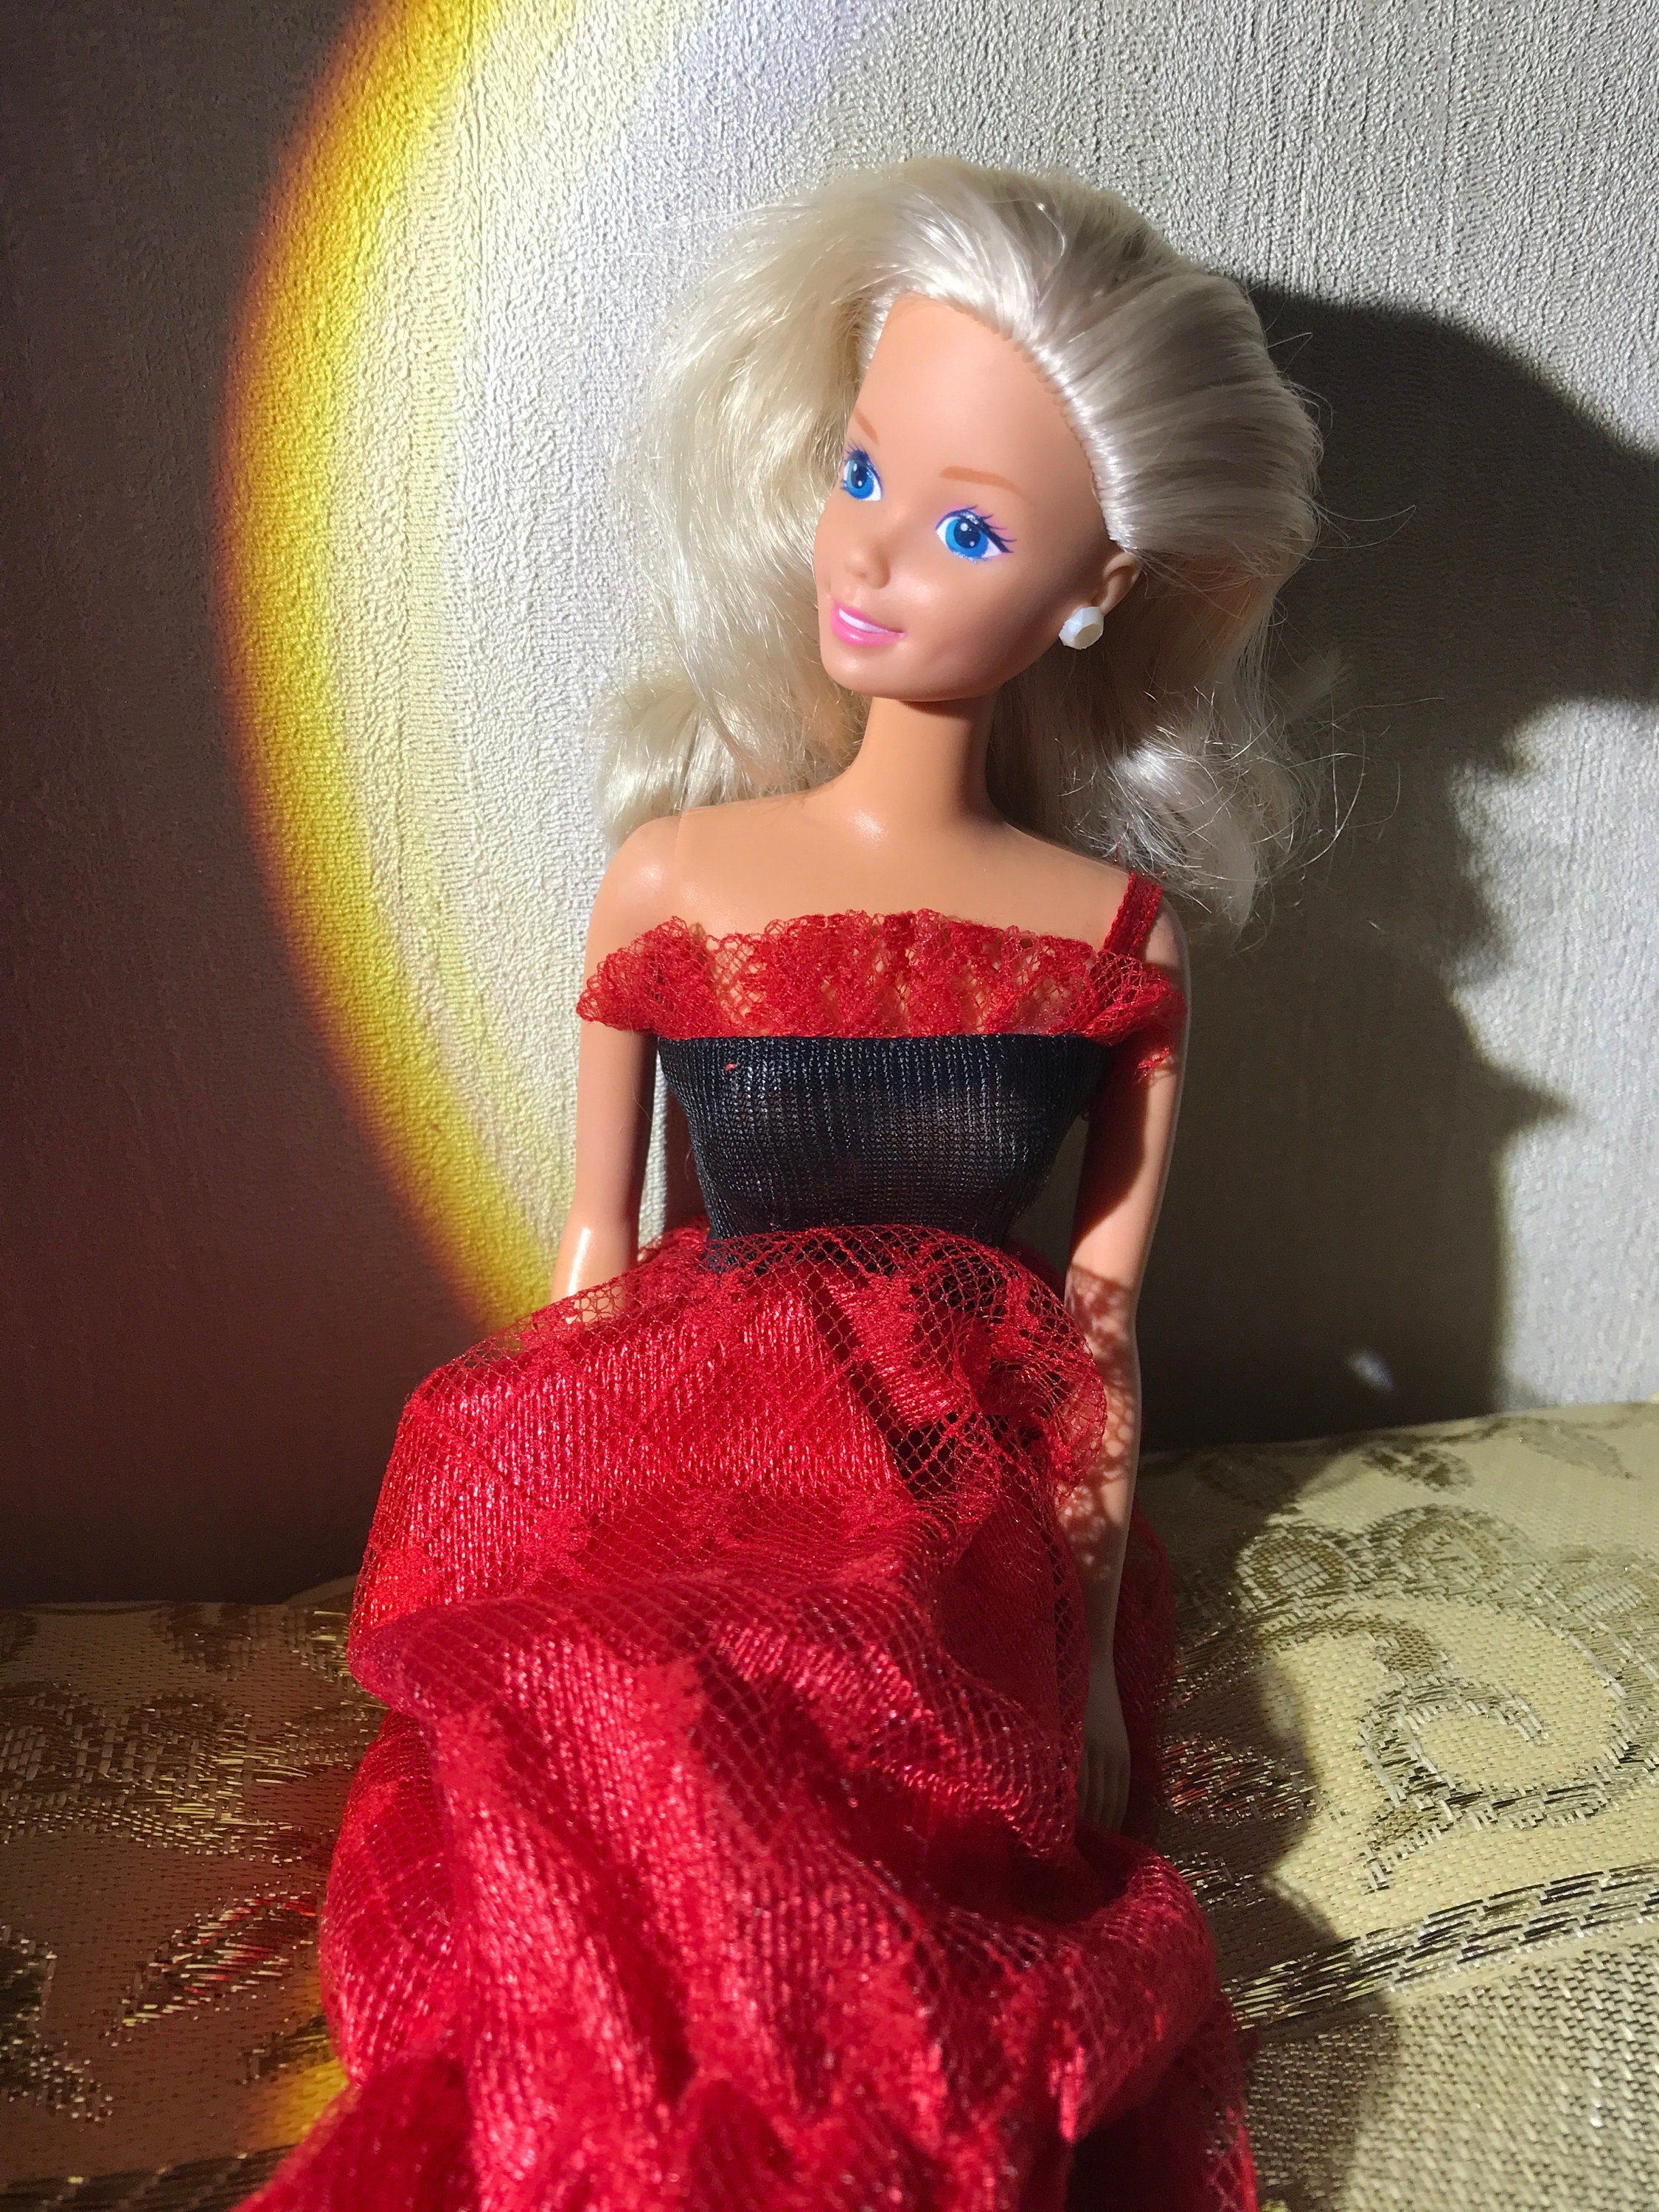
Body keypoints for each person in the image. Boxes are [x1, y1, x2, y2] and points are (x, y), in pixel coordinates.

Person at [246, 156, 1320, 2211]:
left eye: (970, 527)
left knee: (863, 1815)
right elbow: (594, 1248)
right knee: (618, 1728)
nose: (874, 553)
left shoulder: (1109, 940)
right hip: (672, 1448)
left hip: (951, 1496)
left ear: (1093, 589)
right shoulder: (673, 876)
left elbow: (1100, 1323)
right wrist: (533, 1538)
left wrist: (1087, 1651)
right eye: (860, 471)